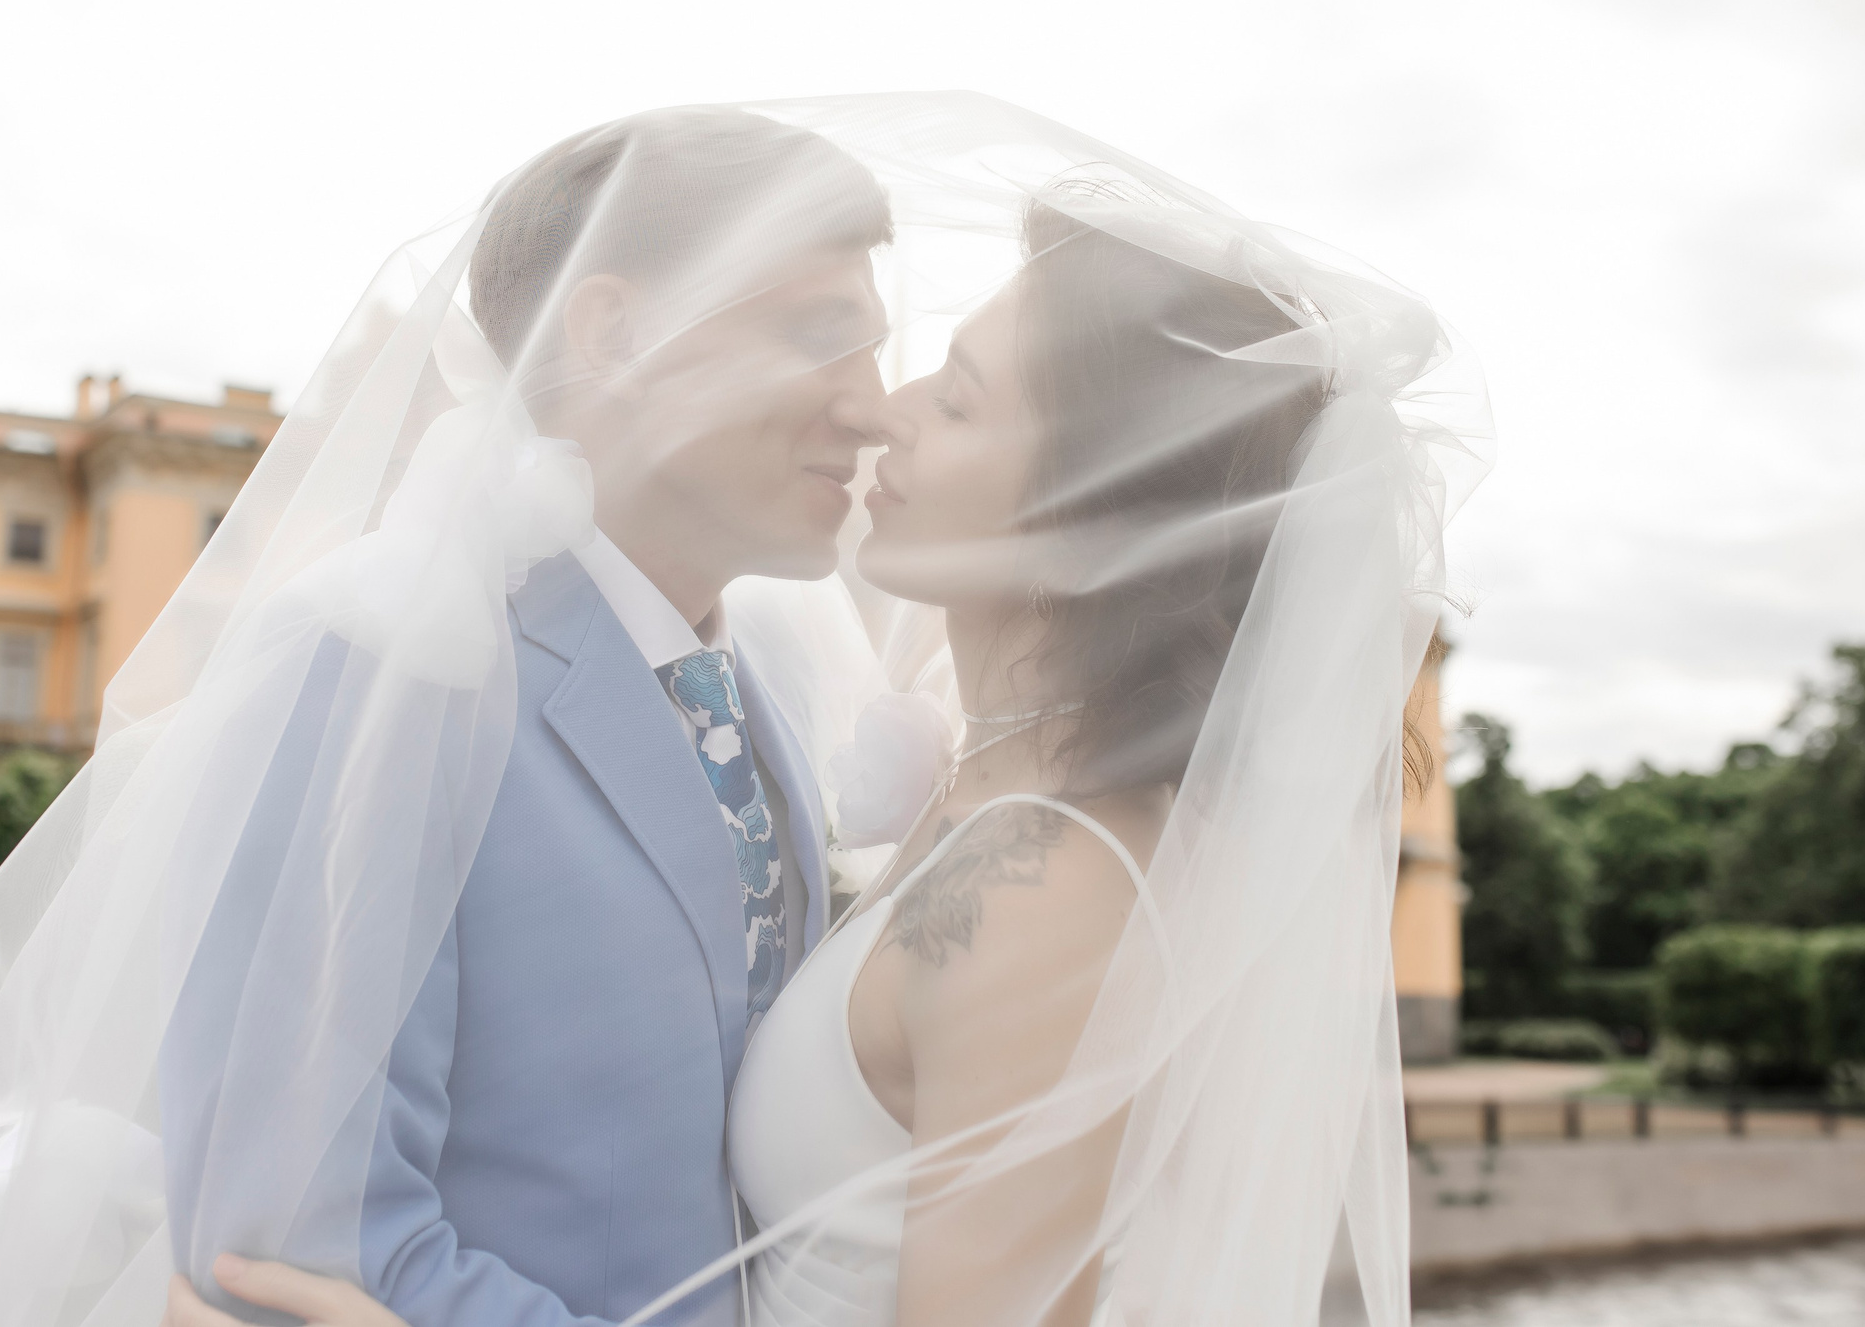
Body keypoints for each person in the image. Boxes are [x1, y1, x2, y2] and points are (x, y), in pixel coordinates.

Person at [168, 115, 1486, 1327]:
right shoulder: (398, 669)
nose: (873, 405)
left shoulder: (967, 830)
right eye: (821, 337)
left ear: (1091, 507)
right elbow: (285, 1243)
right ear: (613, 333)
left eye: (934, 380)